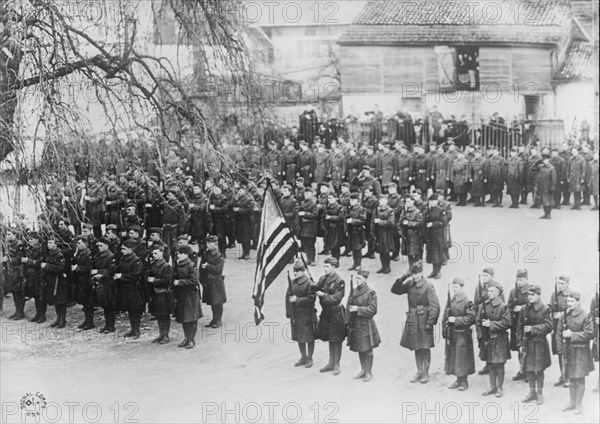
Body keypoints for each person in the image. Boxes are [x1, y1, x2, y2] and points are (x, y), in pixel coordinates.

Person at [391, 261, 440, 384]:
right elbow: (395, 290)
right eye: (413, 274)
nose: (415, 276)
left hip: (424, 320)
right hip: (413, 318)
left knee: (425, 346)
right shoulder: (410, 283)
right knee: (416, 346)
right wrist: (403, 277)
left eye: (417, 274)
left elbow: (435, 306)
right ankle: (419, 371)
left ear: (422, 273)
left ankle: (425, 372)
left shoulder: (428, 286)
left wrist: (430, 323)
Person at [558, 291, 595, 414]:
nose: (570, 304)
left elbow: (589, 334)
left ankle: (579, 404)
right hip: (569, 350)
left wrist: (572, 334)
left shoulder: (585, 315)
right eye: (568, 301)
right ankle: (571, 402)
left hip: (581, 351)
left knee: (580, 377)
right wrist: (561, 349)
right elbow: (558, 333)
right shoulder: (564, 315)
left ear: (578, 301)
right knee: (571, 377)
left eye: (572, 301)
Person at [517, 284, 553, 404]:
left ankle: (539, 393)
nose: (530, 297)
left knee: (539, 370)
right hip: (527, 344)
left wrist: (533, 329)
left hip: (539, 344)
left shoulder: (544, 309)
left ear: (538, 295)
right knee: (529, 370)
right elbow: (519, 327)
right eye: (528, 294)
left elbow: (549, 326)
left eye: (533, 294)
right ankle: (532, 392)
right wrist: (520, 344)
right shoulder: (524, 309)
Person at [477, 281, 511, 397]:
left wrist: (491, 324)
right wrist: (481, 337)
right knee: (490, 363)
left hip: (500, 339)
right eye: (488, 291)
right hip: (487, 340)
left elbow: (507, 323)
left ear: (498, 292)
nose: (489, 293)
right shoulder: (483, 306)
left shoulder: (503, 306)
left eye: (492, 291)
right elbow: (478, 322)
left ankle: (500, 387)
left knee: (499, 364)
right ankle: (492, 386)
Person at [346, 270, 381, 382]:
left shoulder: (371, 292)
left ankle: (368, 371)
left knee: (368, 349)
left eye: (360, 278)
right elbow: (348, 306)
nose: (357, 281)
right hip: (355, 323)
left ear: (365, 279)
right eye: (356, 278)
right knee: (360, 347)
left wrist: (358, 309)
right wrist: (347, 321)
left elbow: (373, 310)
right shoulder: (353, 291)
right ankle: (363, 370)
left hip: (366, 324)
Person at [443, 277, 476, 391]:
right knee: (453, 356)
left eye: (456, 287)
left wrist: (456, 320)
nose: (454, 289)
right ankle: (458, 379)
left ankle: (464, 381)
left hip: (463, 333)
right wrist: (444, 329)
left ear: (462, 287)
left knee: (462, 358)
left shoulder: (467, 301)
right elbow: (445, 314)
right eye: (453, 287)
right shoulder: (451, 299)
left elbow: (471, 318)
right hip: (452, 333)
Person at [316, 257, 346, 375]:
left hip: (336, 313)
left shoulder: (340, 281)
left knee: (337, 339)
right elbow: (316, 287)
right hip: (327, 313)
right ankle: (331, 362)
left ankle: (337, 364)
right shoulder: (323, 279)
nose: (325, 269)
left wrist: (323, 295)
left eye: (327, 266)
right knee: (329, 337)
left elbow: (336, 298)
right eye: (324, 266)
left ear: (334, 267)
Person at [286, 259, 318, 368]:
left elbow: (311, 299)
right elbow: (288, 297)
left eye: (297, 271)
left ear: (303, 271)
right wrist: (289, 312)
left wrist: (297, 299)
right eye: (294, 270)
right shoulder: (293, 282)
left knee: (309, 337)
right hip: (296, 315)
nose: (295, 273)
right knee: (299, 336)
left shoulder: (309, 283)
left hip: (307, 314)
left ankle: (310, 358)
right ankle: (303, 357)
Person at [173, 245, 202, 349]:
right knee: (184, 318)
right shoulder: (178, 265)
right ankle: (186, 338)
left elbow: (194, 281)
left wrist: (180, 282)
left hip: (191, 295)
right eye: (178, 254)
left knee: (192, 318)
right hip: (182, 294)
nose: (178, 256)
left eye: (180, 254)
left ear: (186, 255)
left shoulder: (191, 265)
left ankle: (191, 339)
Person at [114, 240, 144, 339]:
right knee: (130, 310)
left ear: (131, 249)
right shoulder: (123, 259)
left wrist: (121, 276)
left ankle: (136, 330)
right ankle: (133, 329)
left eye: (124, 249)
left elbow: (136, 275)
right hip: (125, 288)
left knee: (135, 309)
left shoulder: (136, 260)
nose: (122, 251)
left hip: (134, 289)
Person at [147, 245, 173, 344]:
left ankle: (166, 335)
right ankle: (161, 334)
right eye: (153, 253)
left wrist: (154, 280)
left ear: (162, 253)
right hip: (155, 293)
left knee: (165, 315)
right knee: (158, 315)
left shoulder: (166, 266)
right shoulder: (153, 264)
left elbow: (167, 280)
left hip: (163, 294)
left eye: (156, 253)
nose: (154, 255)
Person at [41, 237, 70, 328]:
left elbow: (60, 268)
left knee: (61, 300)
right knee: (55, 300)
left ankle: (63, 319)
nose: (49, 244)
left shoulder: (59, 255)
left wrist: (47, 266)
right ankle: (58, 319)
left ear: (55, 244)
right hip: (51, 280)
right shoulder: (49, 254)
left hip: (59, 281)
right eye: (48, 242)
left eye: (51, 243)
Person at [550, 274, 572, 387]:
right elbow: (550, 308)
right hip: (556, 327)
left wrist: (562, 315)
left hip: (567, 327)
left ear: (568, 284)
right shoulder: (554, 294)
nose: (560, 285)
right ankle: (562, 375)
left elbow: (574, 309)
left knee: (567, 352)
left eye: (562, 283)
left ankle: (568, 376)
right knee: (559, 351)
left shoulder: (571, 295)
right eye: (558, 283)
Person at [509, 269, 531, 381]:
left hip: (526, 323)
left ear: (526, 279)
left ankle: (528, 371)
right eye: (518, 279)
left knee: (527, 348)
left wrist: (521, 308)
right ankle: (522, 369)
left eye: (521, 280)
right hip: (515, 324)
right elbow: (508, 304)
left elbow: (533, 305)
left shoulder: (531, 291)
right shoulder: (513, 292)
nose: (519, 282)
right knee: (519, 348)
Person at [199, 235, 226, 328]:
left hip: (216, 281)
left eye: (210, 243)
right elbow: (201, 266)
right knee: (212, 301)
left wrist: (207, 266)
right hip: (208, 281)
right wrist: (202, 279)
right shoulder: (206, 254)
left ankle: (218, 320)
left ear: (216, 244)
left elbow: (218, 270)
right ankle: (214, 319)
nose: (208, 245)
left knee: (217, 301)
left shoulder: (219, 256)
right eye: (207, 243)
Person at [91, 237, 117, 333]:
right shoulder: (98, 255)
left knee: (110, 305)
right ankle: (107, 325)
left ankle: (111, 326)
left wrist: (99, 272)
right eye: (98, 246)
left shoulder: (111, 256)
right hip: (100, 283)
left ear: (107, 246)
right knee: (105, 305)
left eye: (101, 246)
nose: (99, 248)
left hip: (108, 283)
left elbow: (111, 270)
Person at [22, 232, 46, 323]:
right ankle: (38, 314)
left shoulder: (41, 249)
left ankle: (42, 315)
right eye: (29, 239)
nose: (30, 241)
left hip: (39, 274)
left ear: (37, 239)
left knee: (40, 295)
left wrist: (28, 261)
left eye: (32, 239)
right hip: (31, 275)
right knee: (35, 295)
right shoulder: (29, 249)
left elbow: (39, 262)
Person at [72, 236, 94, 330]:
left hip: (86, 281)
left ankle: (90, 322)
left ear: (85, 243)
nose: (78, 245)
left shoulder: (88, 253)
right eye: (77, 243)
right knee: (84, 302)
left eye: (80, 243)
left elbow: (88, 268)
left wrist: (77, 268)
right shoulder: (79, 252)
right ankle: (87, 320)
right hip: (80, 280)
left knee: (88, 302)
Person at [424, 193, 448, 279]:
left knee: (439, 254)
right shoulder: (428, 210)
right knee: (432, 255)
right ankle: (434, 271)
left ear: (437, 201)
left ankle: (438, 272)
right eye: (430, 201)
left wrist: (433, 224)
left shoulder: (441, 210)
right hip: (430, 235)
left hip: (438, 235)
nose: (431, 202)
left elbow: (444, 222)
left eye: (433, 201)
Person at [3, 228, 24, 320]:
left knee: (19, 292)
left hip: (18, 271)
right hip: (11, 271)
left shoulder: (19, 245)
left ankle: (20, 312)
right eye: (7, 234)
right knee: (14, 292)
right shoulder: (9, 244)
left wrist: (9, 260)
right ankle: (17, 311)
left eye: (9, 234)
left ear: (14, 235)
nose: (7, 236)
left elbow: (19, 258)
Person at [372, 194, 395, 274]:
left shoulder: (390, 210)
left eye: (382, 200)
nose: (380, 202)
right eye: (379, 200)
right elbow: (373, 221)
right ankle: (383, 266)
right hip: (379, 233)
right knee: (380, 250)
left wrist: (380, 222)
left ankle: (387, 267)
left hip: (386, 233)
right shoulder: (377, 209)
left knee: (386, 251)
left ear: (386, 201)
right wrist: (373, 231)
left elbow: (391, 223)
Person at [345, 193, 366, 271]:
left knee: (358, 248)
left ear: (357, 200)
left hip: (358, 231)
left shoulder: (361, 209)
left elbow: (362, 220)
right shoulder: (349, 208)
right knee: (353, 248)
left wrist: (352, 221)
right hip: (351, 230)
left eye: (353, 200)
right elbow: (346, 217)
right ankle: (354, 263)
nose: (351, 201)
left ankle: (359, 264)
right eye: (350, 200)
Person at [535, 151, 556, 219]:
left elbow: (553, 179)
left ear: (549, 160)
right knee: (543, 201)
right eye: (543, 160)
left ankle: (549, 214)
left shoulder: (552, 168)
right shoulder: (541, 167)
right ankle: (545, 214)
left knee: (549, 201)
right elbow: (533, 170)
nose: (545, 161)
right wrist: (537, 162)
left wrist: (552, 188)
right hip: (541, 187)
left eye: (546, 159)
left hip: (548, 187)